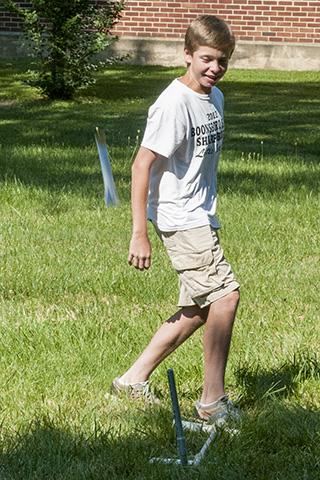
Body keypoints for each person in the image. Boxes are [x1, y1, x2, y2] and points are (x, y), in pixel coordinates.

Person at [111, 15, 240, 424]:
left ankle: (132, 380)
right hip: (181, 218)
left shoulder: (213, 97)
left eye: (222, 61)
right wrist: (139, 233)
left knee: (200, 307)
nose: (214, 68)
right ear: (187, 55)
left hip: (200, 214)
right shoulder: (173, 104)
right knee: (225, 297)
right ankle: (211, 401)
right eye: (206, 59)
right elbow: (140, 166)